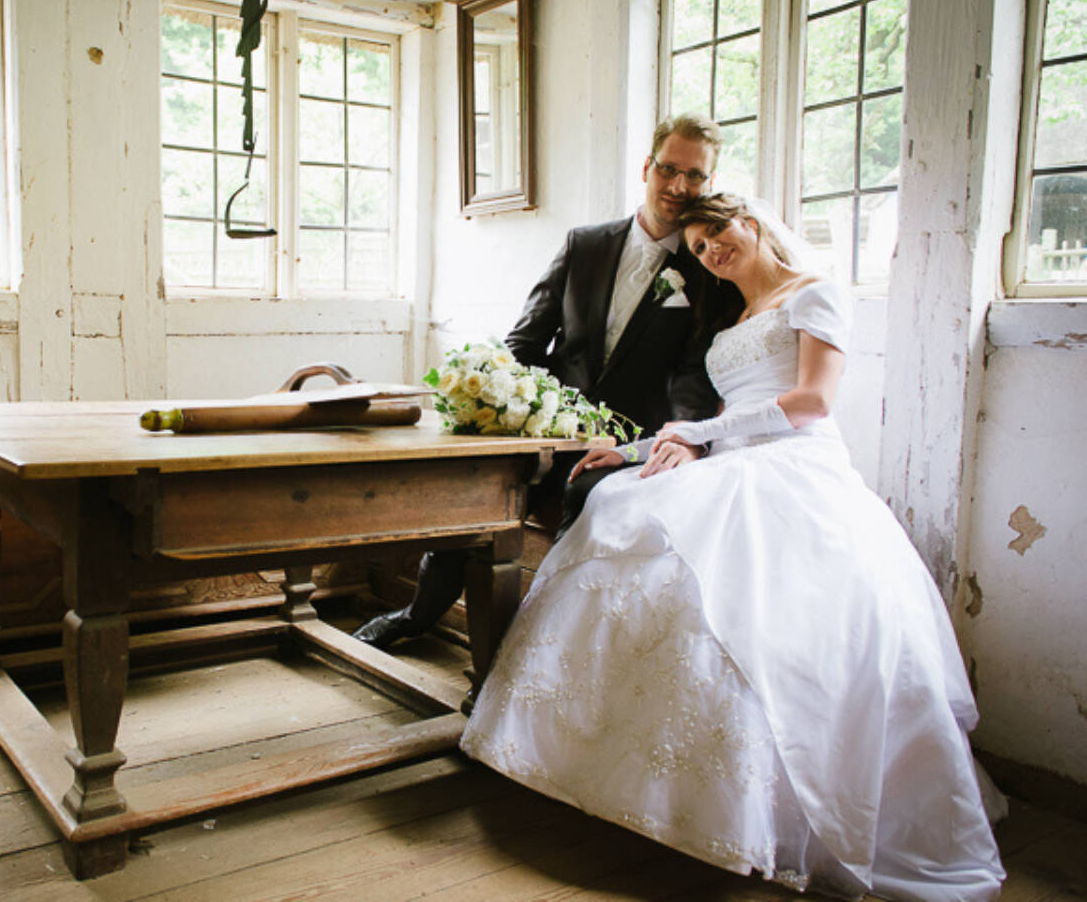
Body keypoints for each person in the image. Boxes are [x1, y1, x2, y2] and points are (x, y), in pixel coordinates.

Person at [460, 192, 1007, 901]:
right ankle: (632, 774)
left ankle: (765, 807)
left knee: (730, 595)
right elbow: (716, 420)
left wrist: (701, 438)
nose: (711, 251)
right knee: (618, 507)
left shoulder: (815, 294)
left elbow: (812, 401)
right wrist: (629, 452)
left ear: (751, 220)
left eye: (717, 233)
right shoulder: (733, 319)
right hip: (734, 459)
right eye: (698, 248)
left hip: (797, 468)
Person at [353, 113, 742, 649]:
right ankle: (417, 616)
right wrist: (513, 412)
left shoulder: (708, 268)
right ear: (646, 167)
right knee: (473, 489)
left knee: (584, 497)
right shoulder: (585, 244)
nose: (679, 187)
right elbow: (526, 342)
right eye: (669, 170)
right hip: (549, 429)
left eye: (695, 176)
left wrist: (675, 441)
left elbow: (695, 372)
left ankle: (517, 656)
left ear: (710, 183)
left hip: (630, 444)